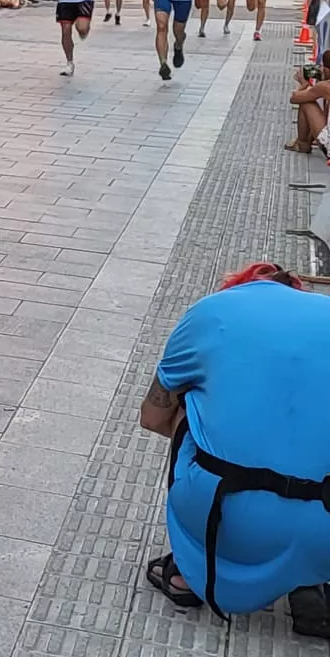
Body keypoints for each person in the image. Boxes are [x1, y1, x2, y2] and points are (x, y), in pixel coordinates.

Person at [140, 264, 330, 615]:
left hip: (231, 521)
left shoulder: (209, 311)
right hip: (326, 527)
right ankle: (311, 582)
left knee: (190, 409)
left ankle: (190, 571)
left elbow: (152, 419)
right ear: (297, 288)